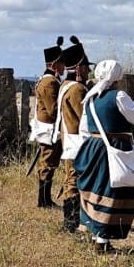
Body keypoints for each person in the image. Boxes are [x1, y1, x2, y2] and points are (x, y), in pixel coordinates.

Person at [75, 60, 134, 252]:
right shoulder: (118, 96)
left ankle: (96, 235)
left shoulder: (90, 98)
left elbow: (84, 128)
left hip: (93, 148)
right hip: (112, 149)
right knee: (112, 192)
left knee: (97, 190)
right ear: (117, 78)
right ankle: (102, 242)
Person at [55, 36, 93, 233]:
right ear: (79, 68)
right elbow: (84, 117)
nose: (88, 71)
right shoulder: (77, 89)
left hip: (69, 140)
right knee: (73, 180)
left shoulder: (65, 86)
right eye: (86, 67)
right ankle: (70, 223)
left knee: (71, 178)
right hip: (77, 141)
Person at [31, 37, 65, 208]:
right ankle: (43, 201)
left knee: (49, 164)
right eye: (61, 64)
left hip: (49, 128)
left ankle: (45, 199)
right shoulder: (50, 82)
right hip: (49, 129)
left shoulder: (50, 80)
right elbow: (53, 110)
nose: (63, 67)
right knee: (47, 164)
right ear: (53, 65)